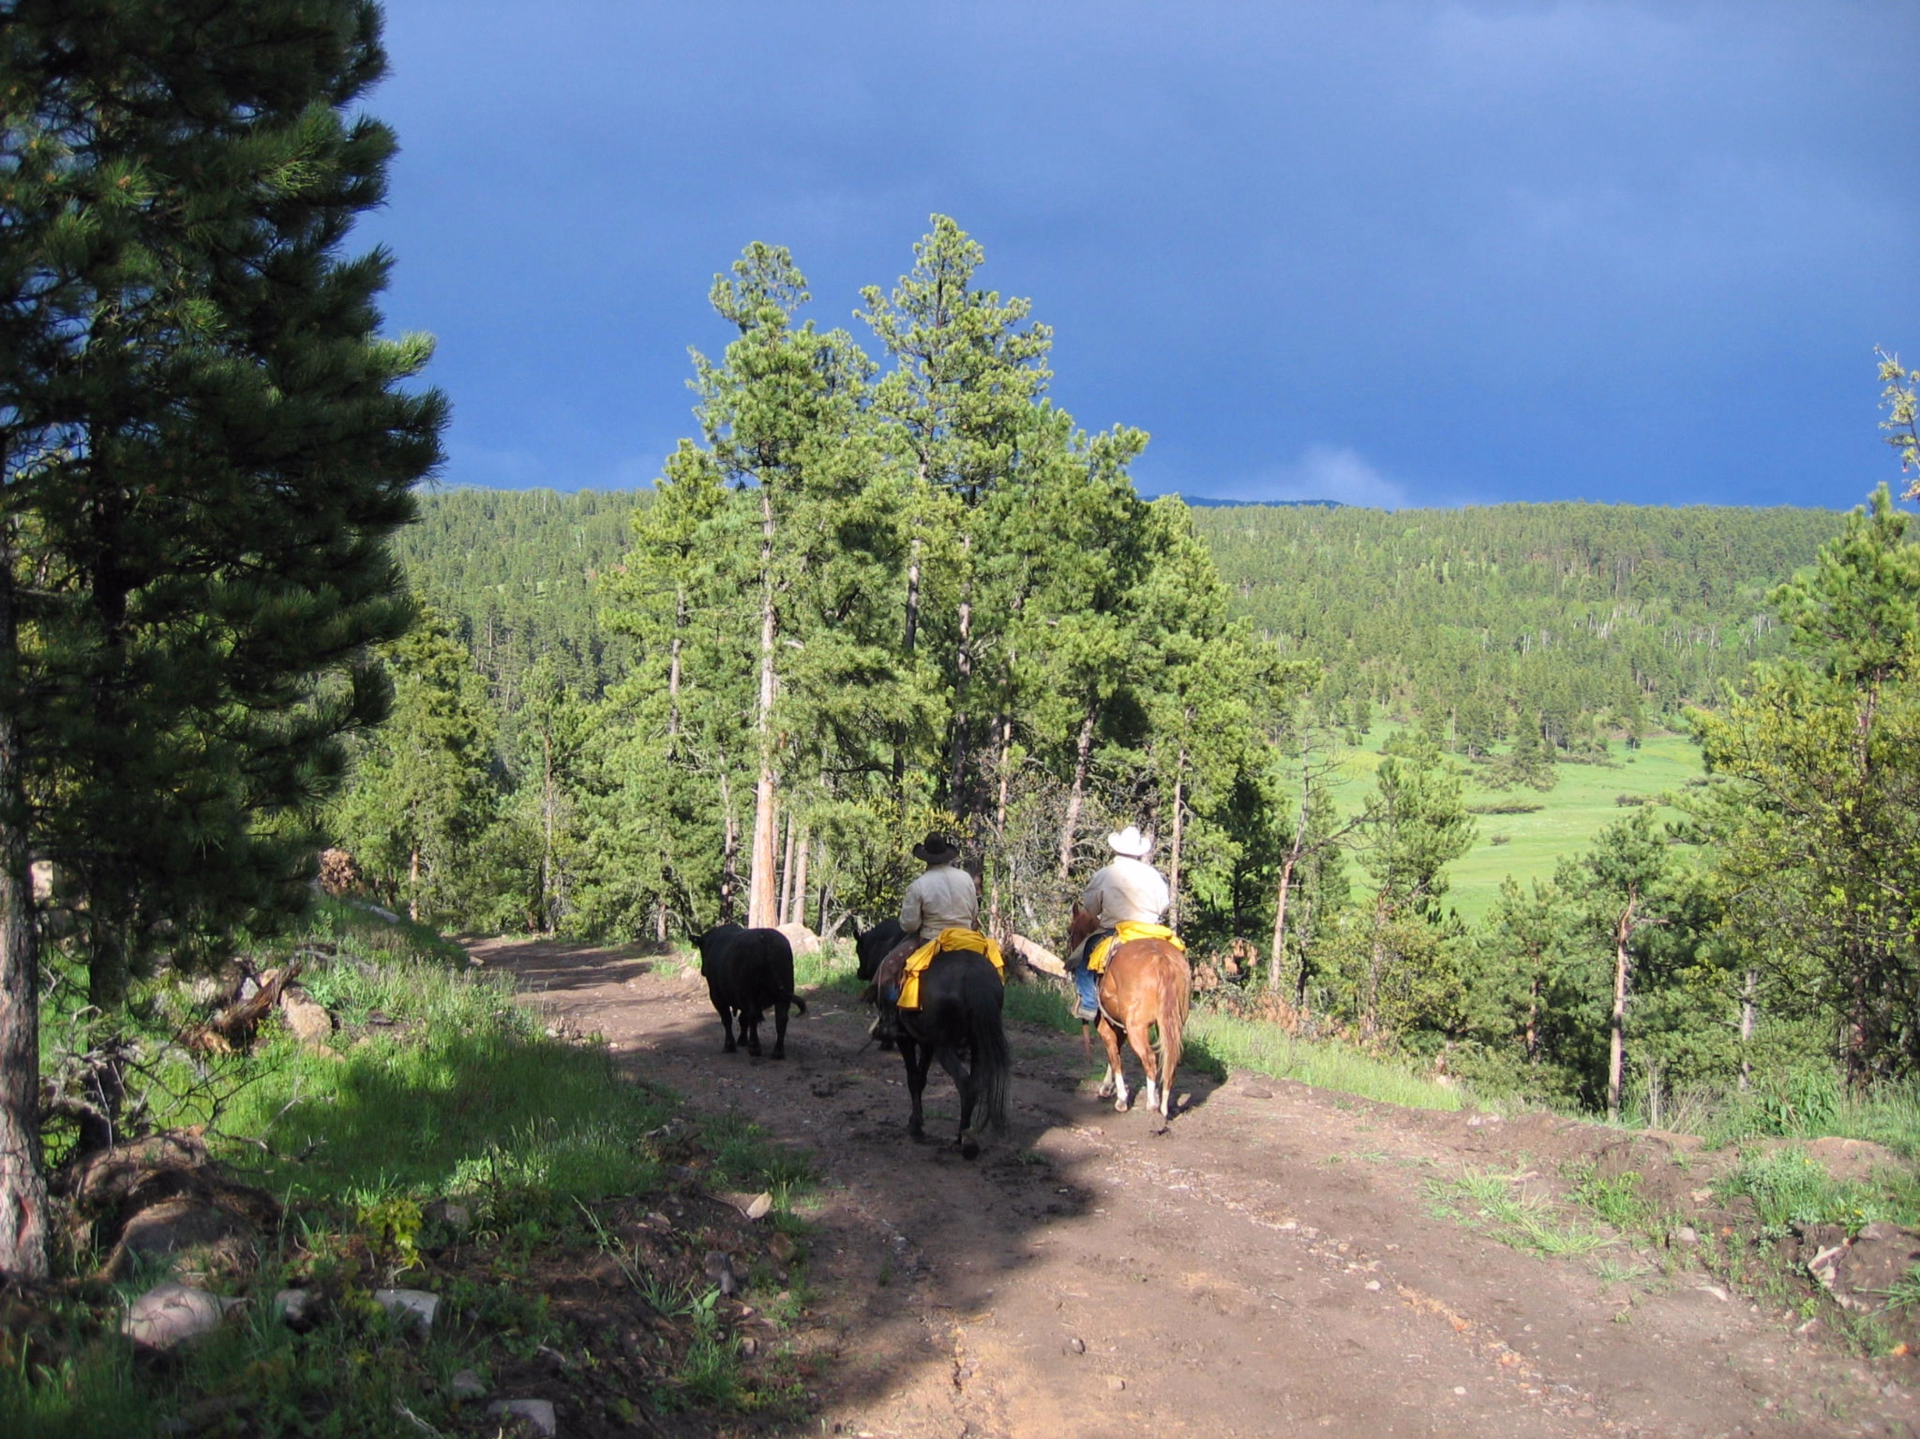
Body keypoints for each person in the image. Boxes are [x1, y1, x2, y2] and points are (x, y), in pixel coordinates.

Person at [870, 832, 978, 1042]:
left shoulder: (919, 885)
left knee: (887, 969)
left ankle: (890, 1021)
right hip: (967, 939)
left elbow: (909, 925)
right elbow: (974, 912)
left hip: (932, 940)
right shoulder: (965, 878)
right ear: (947, 855)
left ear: (925, 858)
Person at [1067, 824, 1170, 1021]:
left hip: (1115, 930)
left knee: (1084, 958)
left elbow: (1091, 909)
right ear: (1139, 852)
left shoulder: (1105, 874)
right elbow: (1164, 905)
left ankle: (1088, 1005)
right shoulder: (1153, 875)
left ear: (1117, 849)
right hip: (1151, 931)